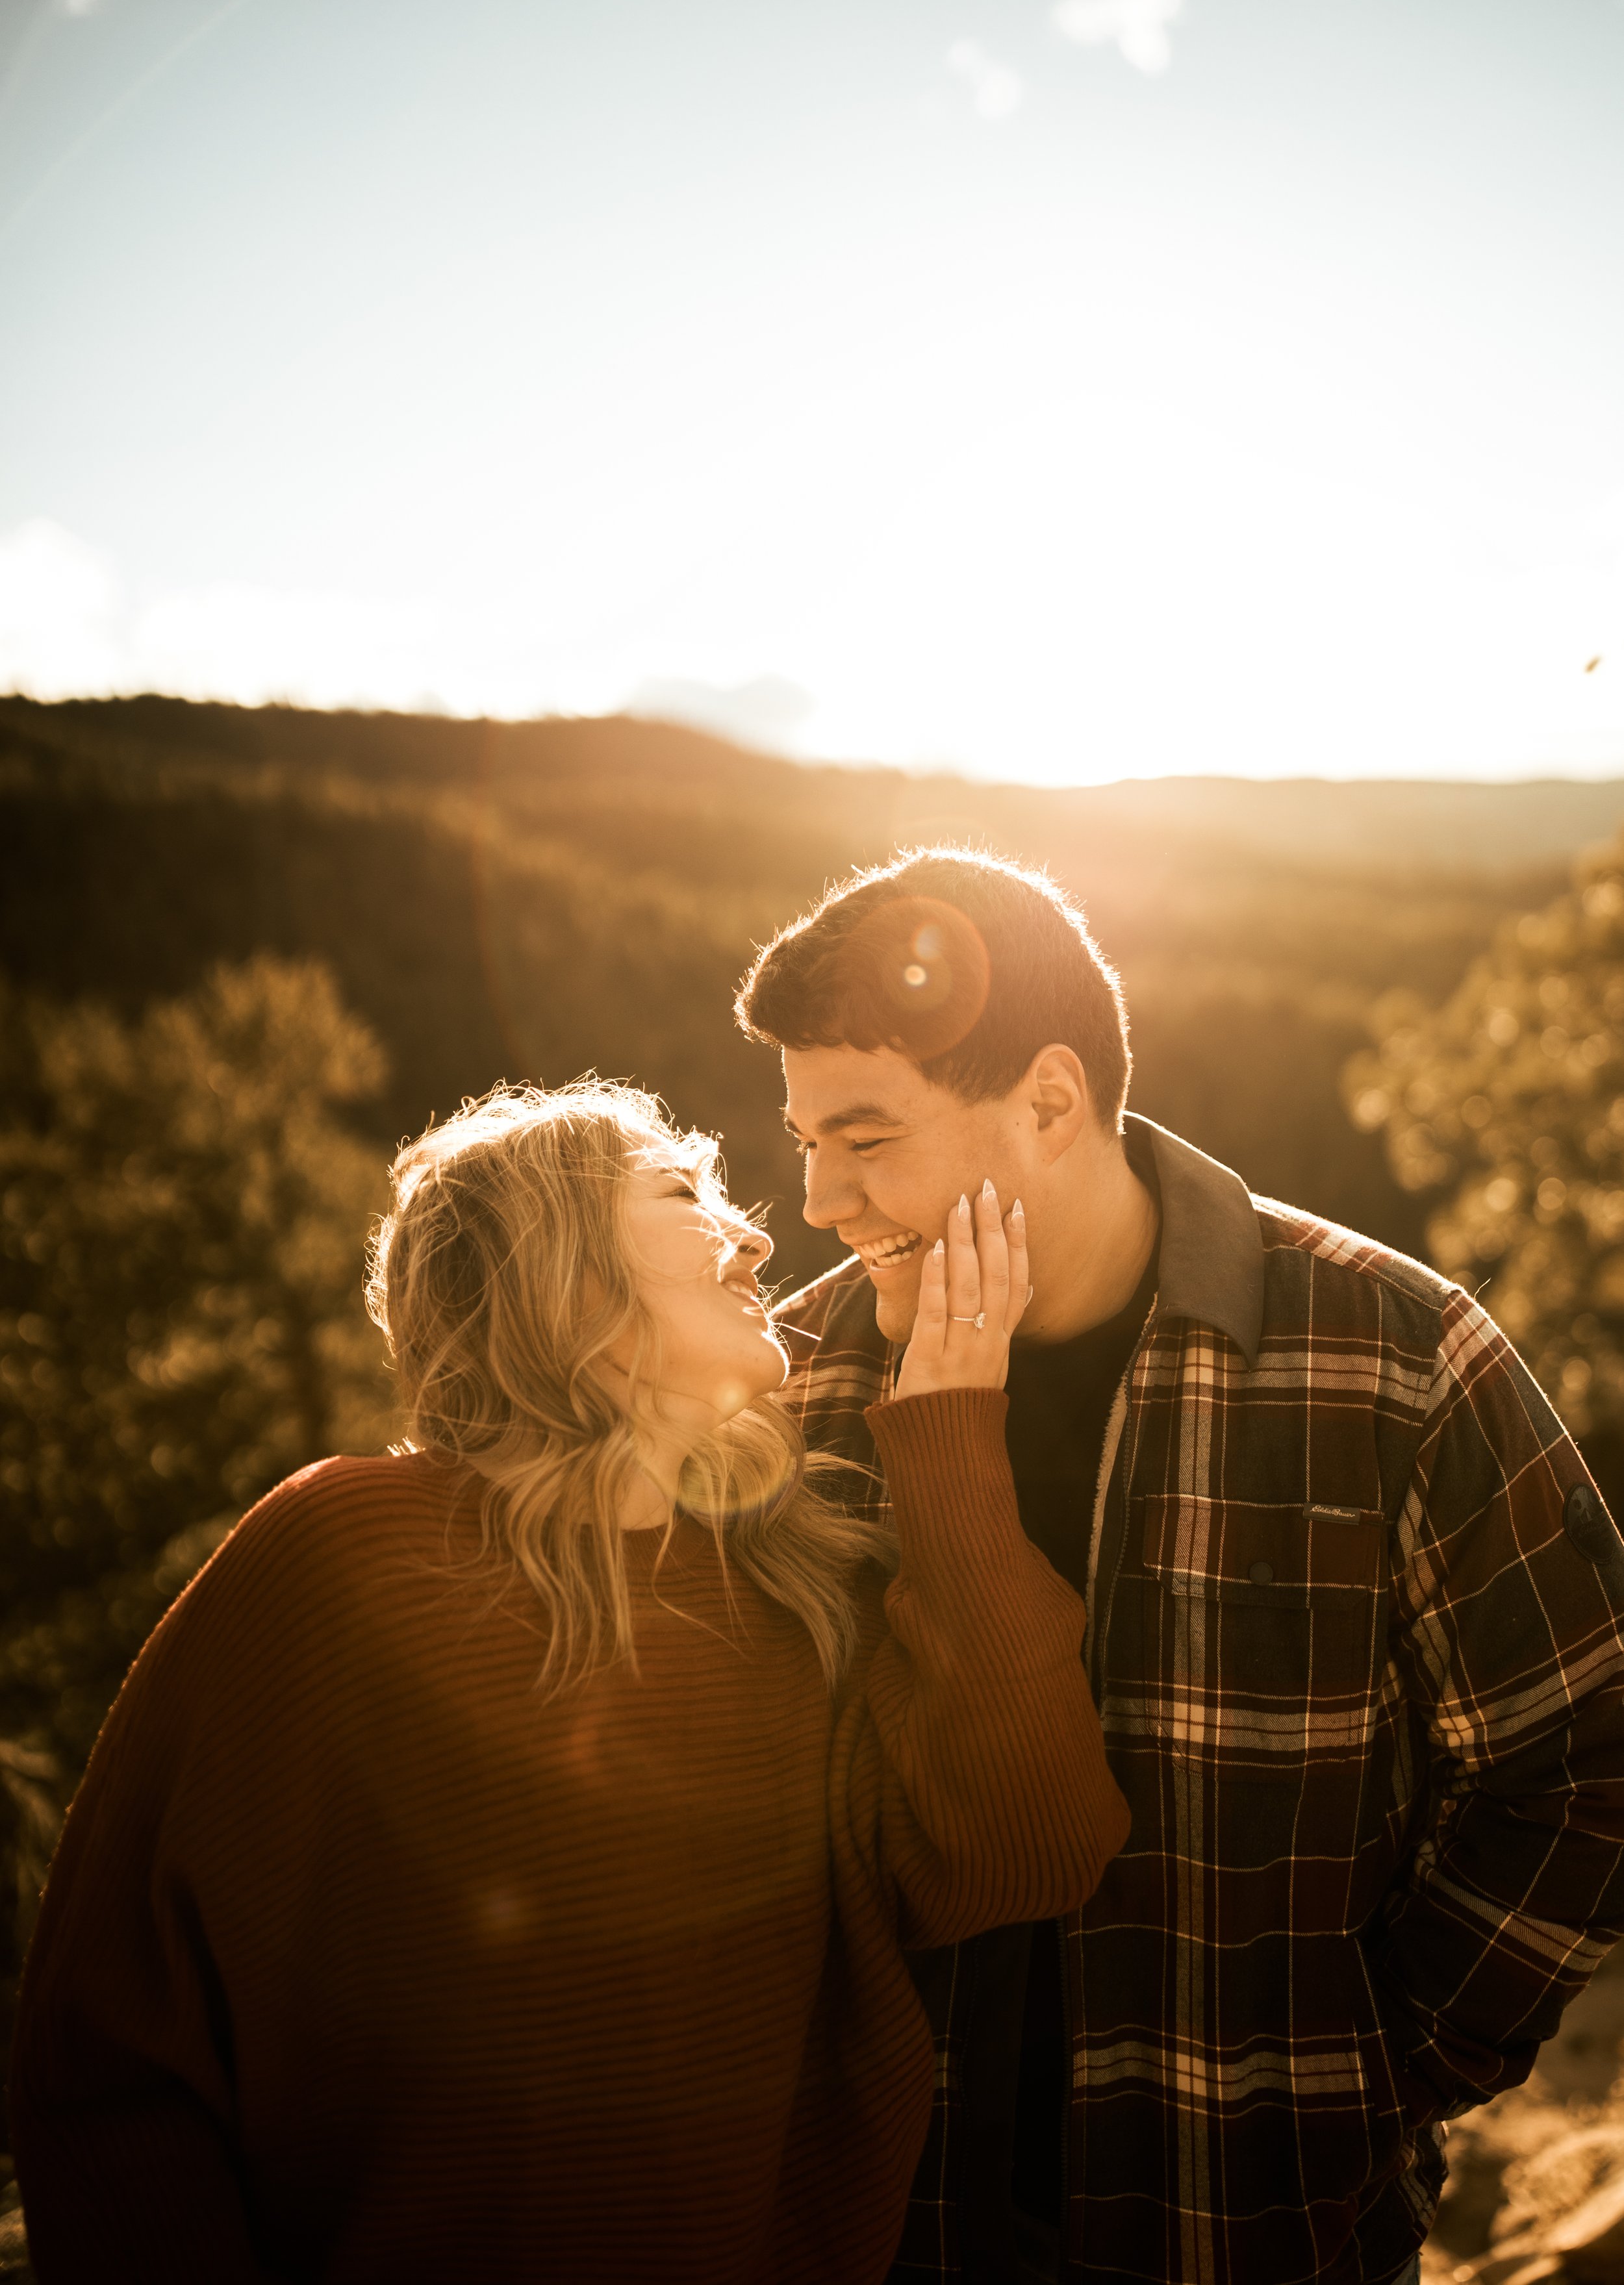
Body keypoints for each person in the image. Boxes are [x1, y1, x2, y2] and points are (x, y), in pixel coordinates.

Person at [8, 1079, 1129, 2285]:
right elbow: (110, 2056)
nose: (757, 1233)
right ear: (561, 1272)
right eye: (681, 1192)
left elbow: (1035, 1845)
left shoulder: (801, 1593)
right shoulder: (335, 1559)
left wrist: (955, 1426)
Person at [735, 847, 1624, 2285]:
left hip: (1260, 2228)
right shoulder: (802, 1384)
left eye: (866, 1138)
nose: (820, 1199)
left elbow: (1579, 1758)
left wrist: (1378, 2071)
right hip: (891, 2234)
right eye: (803, 1141)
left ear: (1047, 1101)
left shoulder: (1392, 1357)